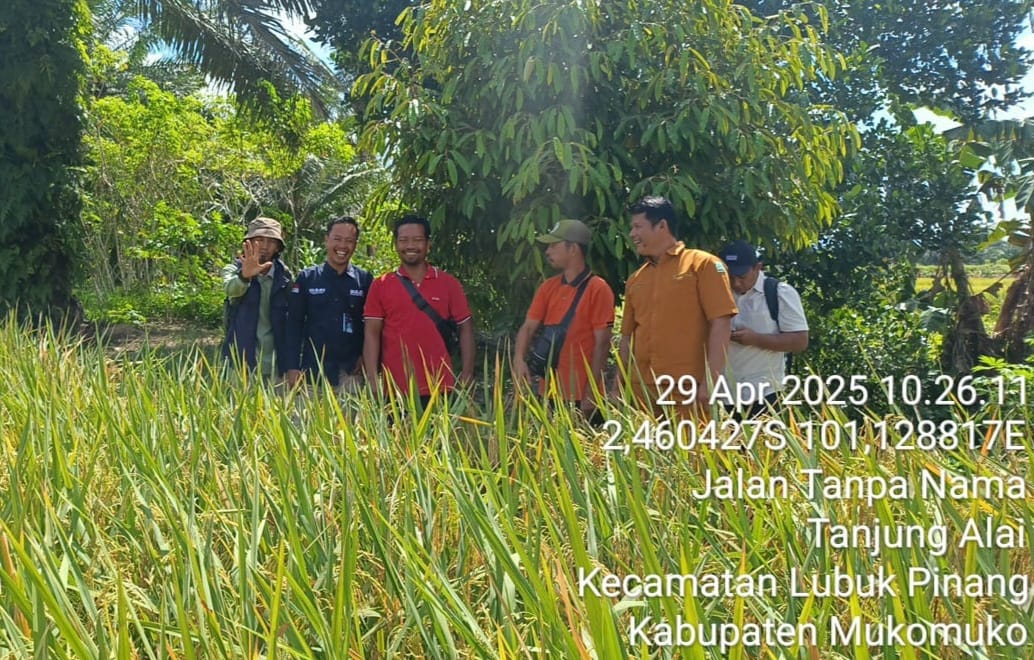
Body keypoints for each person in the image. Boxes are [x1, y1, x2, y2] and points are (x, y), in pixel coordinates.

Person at [614, 196, 738, 419]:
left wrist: (711, 381)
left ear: (662, 225)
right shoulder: (636, 279)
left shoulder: (704, 264)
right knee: (644, 455)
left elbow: (722, 323)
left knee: (694, 454)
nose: (632, 234)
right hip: (642, 395)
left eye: (637, 226)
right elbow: (627, 338)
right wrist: (617, 386)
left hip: (689, 392)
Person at [363, 215, 475, 407]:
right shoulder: (381, 285)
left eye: (417, 240)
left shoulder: (449, 284)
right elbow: (372, 334)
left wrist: (467, 373)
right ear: (396, 244)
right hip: (395, 391)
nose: (410, 245)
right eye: (404, 240)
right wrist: (373, 379)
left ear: (428, 244)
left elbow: (465, 329)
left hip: (441, 387)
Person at [513, 220, 614, 419]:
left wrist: (591, 393)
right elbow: (528, 327)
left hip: (581, 395)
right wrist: (519, 359)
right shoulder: (548, 287)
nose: (547, 251)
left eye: (553, 245)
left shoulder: (598, 288)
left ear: (573, 248)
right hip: (548, 392)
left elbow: (602, 344)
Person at [718, 240, 809, 418]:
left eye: (742, 276)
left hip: (764, 394)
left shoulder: (779, 293)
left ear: (758, 267)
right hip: (722, 394)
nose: (736, 283)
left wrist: (756, 339)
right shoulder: (717, 292)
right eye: (730, 276)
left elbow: (800, 341)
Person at [285, 216, 373, 393]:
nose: (342, 246)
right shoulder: (307, 279)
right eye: (337, 239)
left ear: (356, 244)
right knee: (308, 421)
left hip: (351, 373)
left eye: (349, 241)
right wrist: (292, 366)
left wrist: (366, 357)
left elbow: (371, 326)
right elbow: (294, 324)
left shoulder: (364, 280)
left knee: (349, 421)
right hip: (312, 374)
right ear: (326, 240)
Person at [221, 217, 293, 380]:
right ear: (248, 243)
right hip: (240, 363)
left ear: (277, 248)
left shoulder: (285, 277)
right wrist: (245, 276)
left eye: (271, 241)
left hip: (275, 364)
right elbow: (231, 289)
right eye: (259, 240)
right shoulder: (234, 269)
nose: (265, 247)